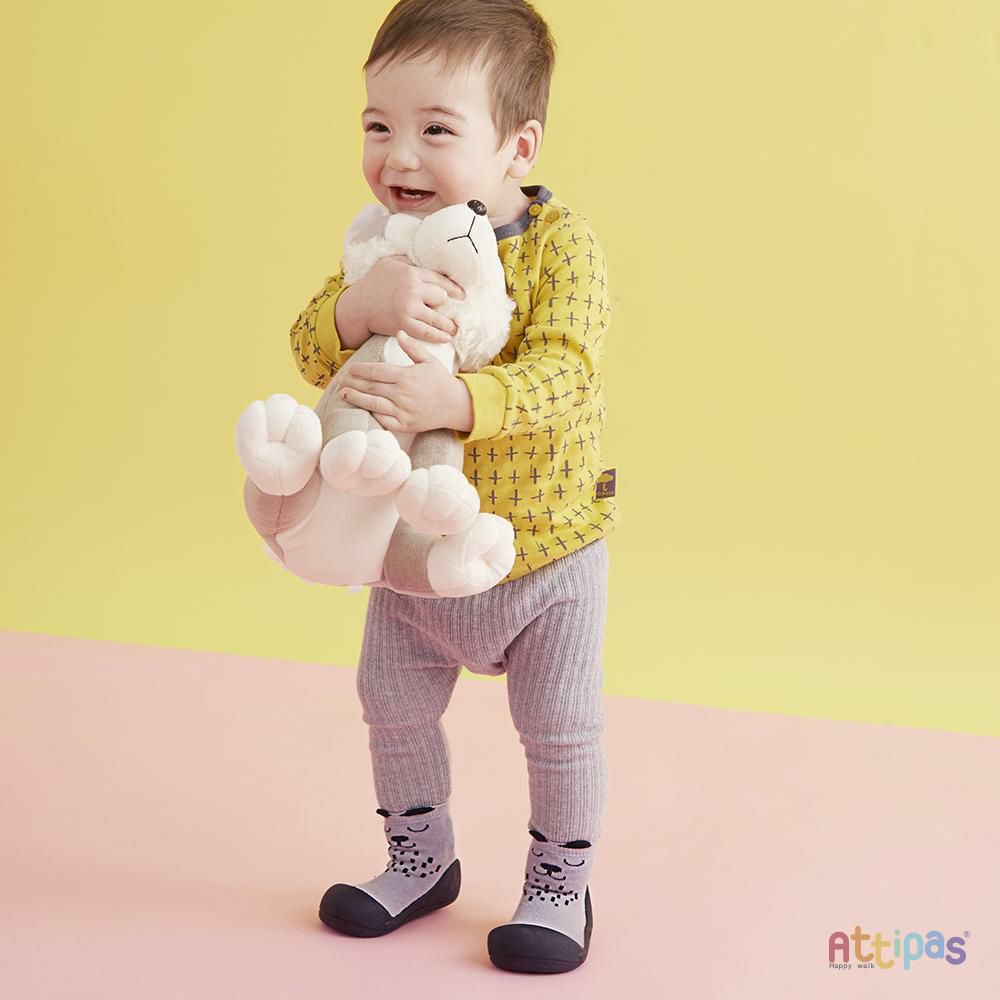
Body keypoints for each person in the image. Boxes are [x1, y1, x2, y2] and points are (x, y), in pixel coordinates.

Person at [289, 0, 618, 974]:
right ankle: (419, 857)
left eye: (436, 129)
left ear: (517, 145)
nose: (399, 155)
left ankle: (560, 881)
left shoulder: (561, 247)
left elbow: (569, 372)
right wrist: (359, 306)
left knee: (559, 729)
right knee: (388, 702)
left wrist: (461, 399)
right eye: (378, 125)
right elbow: (309, 344)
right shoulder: (383, 244)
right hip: (411, 554)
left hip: (543, 552)